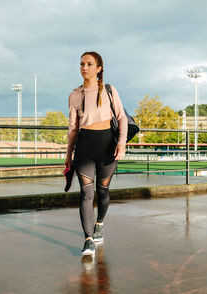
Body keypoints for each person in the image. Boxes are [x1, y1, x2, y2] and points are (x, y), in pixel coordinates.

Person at [65, 51, 128, 256]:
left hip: (107, 146)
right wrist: (68, 156)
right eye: (82, 63)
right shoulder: (75, 95)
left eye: (90, 64)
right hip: (84, 147)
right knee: (86, 193)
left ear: (99, 68)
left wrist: (122, 144)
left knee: (102, 191)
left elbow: (122, 118)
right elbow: (73, 129)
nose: (85, 67)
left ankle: (99, 223)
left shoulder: (110, 90)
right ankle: (88, 239)